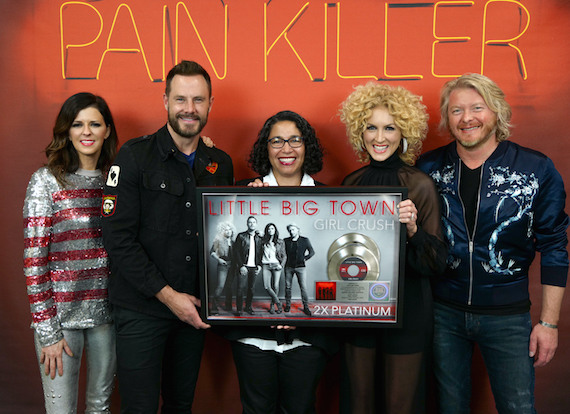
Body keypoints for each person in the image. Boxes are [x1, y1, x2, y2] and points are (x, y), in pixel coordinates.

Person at [417, 73, 568, 414]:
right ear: (447, 118)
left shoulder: (536, 169)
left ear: (496, 112)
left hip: (508, 316)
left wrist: (548, 323)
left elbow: (556, 247)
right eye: (456, 110)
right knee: (448, 406)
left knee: (517, 407)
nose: (466, 118)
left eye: (477, 108)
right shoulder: (428, 168)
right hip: (443, 313)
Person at [101, 60, 234, 413]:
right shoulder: (133, 156)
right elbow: (117, 239)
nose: (189, 109)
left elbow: (223, 235)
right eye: (180, 99)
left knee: (180, 404)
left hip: (192, 310)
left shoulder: (220, 163)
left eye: (198, 100)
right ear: (165, 101)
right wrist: (168, 296)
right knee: (139, 406)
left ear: (210, 104)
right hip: (141, 306)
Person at [339, 83, 447, 414]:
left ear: (405, 133)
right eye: (371, 127)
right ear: (360, 131)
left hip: (409, 311)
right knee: (359, 403)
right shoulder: (350, 183)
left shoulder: (420, 185)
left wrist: (413, 230)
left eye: (390, 127)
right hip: (359, 309)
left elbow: (436, 263)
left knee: (402, 406)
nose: (379, 137)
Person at [227, 110, 337, 414]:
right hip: (252, 338)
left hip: (309, 338)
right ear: (266, 148)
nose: (286, 149)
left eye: (294, 140)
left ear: (307, 146)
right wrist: (240, 204)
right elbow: (227, 248)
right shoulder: (240, 195)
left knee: (300, 408)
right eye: (276, 141)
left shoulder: (332, 199)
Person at [23, 92, 118, 413]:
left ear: (107, 130)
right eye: (78, 124)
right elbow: (34, 262)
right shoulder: (45, 181)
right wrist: (47, 330)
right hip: (60, 321)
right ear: (66, 130)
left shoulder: (116, 182)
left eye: (95, 123)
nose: (87, 131)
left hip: (107, 318)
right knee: (61, 409)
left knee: (99, 406)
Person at [232, 216, 263, 315]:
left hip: (254, 267)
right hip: (243, 266)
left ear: (256, 224)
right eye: (250, 222)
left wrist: (259, 265)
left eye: (254, 222)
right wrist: (241, 265)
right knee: (240, 288)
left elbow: (262, 252)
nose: (252, 224)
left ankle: (248, 307)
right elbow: (236, 251)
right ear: (247, 224)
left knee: (251, 289)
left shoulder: (259, 238)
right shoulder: (241, 236)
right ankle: (239, 309)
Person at [283, 223, 315, 316]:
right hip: (288, 267)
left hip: (300, 267)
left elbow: (312, 252)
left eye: (293, 230)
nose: (291, 232)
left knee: (303, 287)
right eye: (290, 230)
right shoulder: (285, 240)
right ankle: (288, 305)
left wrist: (305, 258)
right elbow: (279, 250)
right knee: (288, 287)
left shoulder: (305, 240)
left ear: (297, 230)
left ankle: (306, 307)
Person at [209, 221, 236, 314]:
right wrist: (219, 259)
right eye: (226, 230)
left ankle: (228, 307)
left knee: (229, 287)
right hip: (223, 265)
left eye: (230, 230)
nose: (228, 231)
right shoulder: (218, 240)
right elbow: (212, 252)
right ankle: (214, 308)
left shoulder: (234, 242)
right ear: (222, 231)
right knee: (220, 286)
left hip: (232, 266)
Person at [261, 223, 286, 314]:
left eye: (272, 228)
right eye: (269, 229)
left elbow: (284, 256)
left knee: (275, 286)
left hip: (276, 265)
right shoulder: (262, 240)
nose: (270, 230)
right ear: (266, 230)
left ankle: (272, 305)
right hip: (266, 265)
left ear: (275, 230)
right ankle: (278, 303)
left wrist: (281, 265)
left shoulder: (280, 241)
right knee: (267, 286)